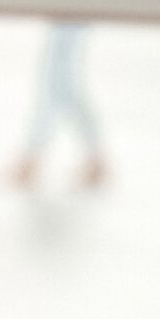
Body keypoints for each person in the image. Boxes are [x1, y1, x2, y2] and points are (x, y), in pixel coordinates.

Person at [11, 18, 110, 190]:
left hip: (73, 5)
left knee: (59, 77)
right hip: (71, 8)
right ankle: (94, 159)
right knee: (60, 75)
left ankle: (32, 159)